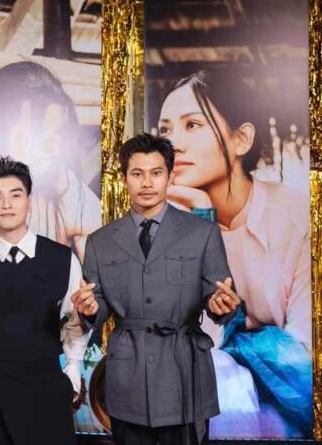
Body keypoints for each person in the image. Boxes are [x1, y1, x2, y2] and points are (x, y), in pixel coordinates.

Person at [158, 70, 312, 437]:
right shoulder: (168, 225)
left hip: (290, 413)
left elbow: (303, 366)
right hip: (214, 405)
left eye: (192, 125)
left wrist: (238, 338)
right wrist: (201, 218)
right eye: (164, 131)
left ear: (240, 139)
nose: (173, 144)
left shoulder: (297, 217)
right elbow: (196, 345)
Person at [72, 133, 242, 445]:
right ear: (124, 178)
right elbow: (98, 304)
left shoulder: (201, 233)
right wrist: (90, 309)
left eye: (156, 173)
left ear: (170, 176)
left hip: (185, 372)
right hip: (128, 375)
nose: (147, 183)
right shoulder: (100, 241)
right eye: (137, 174)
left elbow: (218, 296)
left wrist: (222, 305)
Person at [0, 157, 86, 445]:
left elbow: (76, 320)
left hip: (48, 386)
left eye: (15, 195)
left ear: (29, 202)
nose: (6, 204)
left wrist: (73, 370)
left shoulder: (62, 259)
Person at [0, 61, 101, 274]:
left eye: (57, 134)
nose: (54, 148)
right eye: (41, 133)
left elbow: (103, 275)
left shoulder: (64, 187)